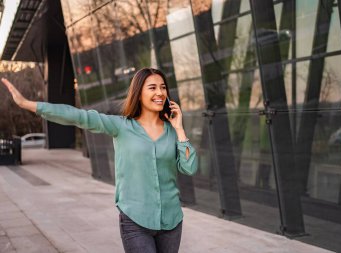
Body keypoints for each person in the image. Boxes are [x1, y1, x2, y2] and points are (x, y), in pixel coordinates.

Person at [1, 67, 198, 253]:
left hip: (171, 222)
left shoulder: (172, 131)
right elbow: (78, 116)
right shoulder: (120, 126)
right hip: (136, 221)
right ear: (138, 93)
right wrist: (27, 104)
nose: (160, 93)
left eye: (163, 87)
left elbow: (189, 168)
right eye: (152, 87)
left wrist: (180, 129)